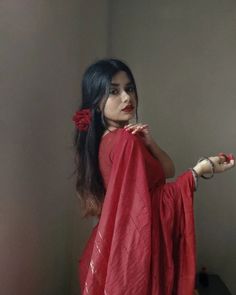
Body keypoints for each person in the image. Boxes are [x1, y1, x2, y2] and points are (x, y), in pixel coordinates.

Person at [73, 59, 234, 295]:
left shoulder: (118, 138)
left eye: (129, 88)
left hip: (119, 245)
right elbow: (142, 208)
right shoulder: (124, 142)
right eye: (114, 91)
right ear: (97, 102)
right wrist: (199, 171)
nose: (126, 98)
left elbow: (168, 170)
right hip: (135, 246)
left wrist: (150, 143)